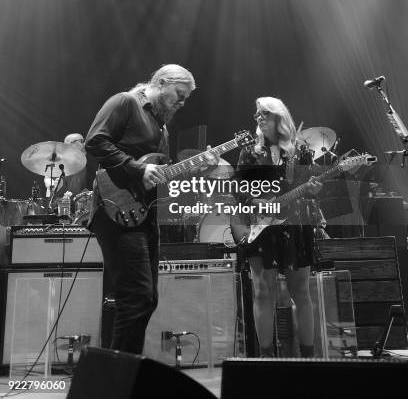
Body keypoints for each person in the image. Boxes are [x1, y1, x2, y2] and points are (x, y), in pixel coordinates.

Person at [84, 64, 218, 355]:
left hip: (143, 215)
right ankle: (116, 378)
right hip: (115, 210)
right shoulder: (125, 102)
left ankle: (120, 373)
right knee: (136, 298)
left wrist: (194, 170)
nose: (181, 103)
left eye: (185, 99)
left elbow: (159, 178)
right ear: (161, 82)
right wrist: (137, 168)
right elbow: (94, 141)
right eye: (178, 95)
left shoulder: (161, 127)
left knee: (146, 300)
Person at [236, 96, 323, 358]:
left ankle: (308, 357)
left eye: (264, 113)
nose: (258, 118)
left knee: (301, 291)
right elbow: (239, 187)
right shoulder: (250, 152)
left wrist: (315, 190)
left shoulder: (302, 151)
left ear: (279, 117)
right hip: (261, 227)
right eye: (257, 114)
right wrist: (255, 200)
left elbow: (312, 189)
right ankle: (266, 357)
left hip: (295, 225)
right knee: (263, 292)